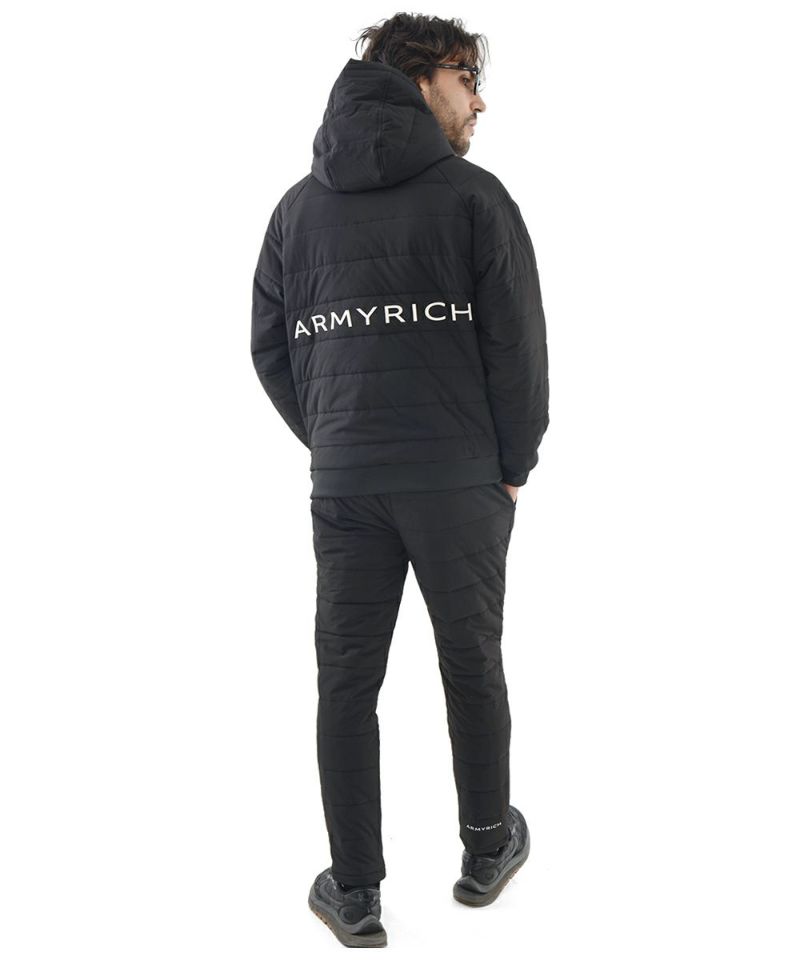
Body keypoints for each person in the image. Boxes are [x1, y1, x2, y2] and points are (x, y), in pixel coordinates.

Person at [251, 12, 549, 947]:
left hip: (347, 485)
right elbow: (518, 349)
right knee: (471, 663)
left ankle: (354, 891)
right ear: (422, 77)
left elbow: (271, 349)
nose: (479, 101)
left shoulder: (296, 211)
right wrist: (511, 465)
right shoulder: (473, 197)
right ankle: (486, 849)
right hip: (460, 481)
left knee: (346, 682)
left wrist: (338, 438)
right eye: (468, 79)